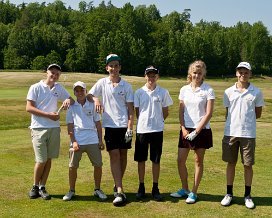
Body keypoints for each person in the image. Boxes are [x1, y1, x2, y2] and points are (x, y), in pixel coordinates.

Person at [88, 54, 134, 206]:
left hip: (123, 126)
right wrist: (96, 99)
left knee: (123, 156)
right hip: (110, 126)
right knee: (114, 156)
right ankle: (120, 190)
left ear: (120, 67)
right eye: (111, 66)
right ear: (107, 68)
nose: (114, 68)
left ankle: (117, 183)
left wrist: (130, 127)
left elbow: (130, 109)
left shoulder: (126, 86)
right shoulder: (102, 82)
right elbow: (89, 94)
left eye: (116, 65)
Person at [220, 62, 264, 209]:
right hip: (230, 133)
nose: (243, 75)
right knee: (230, 163)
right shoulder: (228, 92)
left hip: (248, 133)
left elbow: (257, 114)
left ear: (250, 74)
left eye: (246, 72)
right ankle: (229, 194)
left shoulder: (256, 92)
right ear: (236, 73)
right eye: (240, 72)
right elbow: (228, 112)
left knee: (247, 165)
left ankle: (247, 195)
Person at [170, 60, 215, 204]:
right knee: (180, 160)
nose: (197, 75)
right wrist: (183, 128)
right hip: (186, 129)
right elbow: (181, 111)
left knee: (198, 161)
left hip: (201, 130)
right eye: (194, 72)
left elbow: (208, 114)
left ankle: (194, 192)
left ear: (203, 74)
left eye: (199, 73)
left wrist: (196, 131)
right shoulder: (184, 89)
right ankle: (185, 189)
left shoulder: (208, 90)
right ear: (190, 73)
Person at [26, 64, 73, 200]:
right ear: (46, 73)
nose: (54, 75)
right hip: (38, 128)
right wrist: (48, 115)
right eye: (52, 73)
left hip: (54, 128)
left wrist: (66, 101)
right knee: (41, 160)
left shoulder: (58, 88)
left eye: (57, 74)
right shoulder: (35, 87)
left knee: (49, 159)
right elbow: (29, 108)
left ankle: (42, 187)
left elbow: (70, 99)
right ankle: (35, 186)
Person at [63, 81, 107, 201]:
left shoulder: (92, 104)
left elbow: (98, 124)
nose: (79, 92)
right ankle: (71, 190)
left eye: (82, 90)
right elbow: (70, 126)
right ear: (74, 93)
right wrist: (74, 142)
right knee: (72, 167)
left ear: (85, 91)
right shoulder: (71, 106)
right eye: (77, 90)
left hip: (92, 140)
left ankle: (97, 189)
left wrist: (100, 140)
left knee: (98, 165)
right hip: (77, 141)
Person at [134, 66, 173, 201]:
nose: (151, 78)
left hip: (157, 130)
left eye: (153, 75)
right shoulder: (139, 92)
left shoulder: (163, 92)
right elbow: (137, 111)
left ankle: (155, 188)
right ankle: (141, 186)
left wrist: (159, 121)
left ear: (157, 76)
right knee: (141, 159)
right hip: (142, 130)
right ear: (145, 76)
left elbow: (166, 111)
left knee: (156, 160)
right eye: (149, 75)